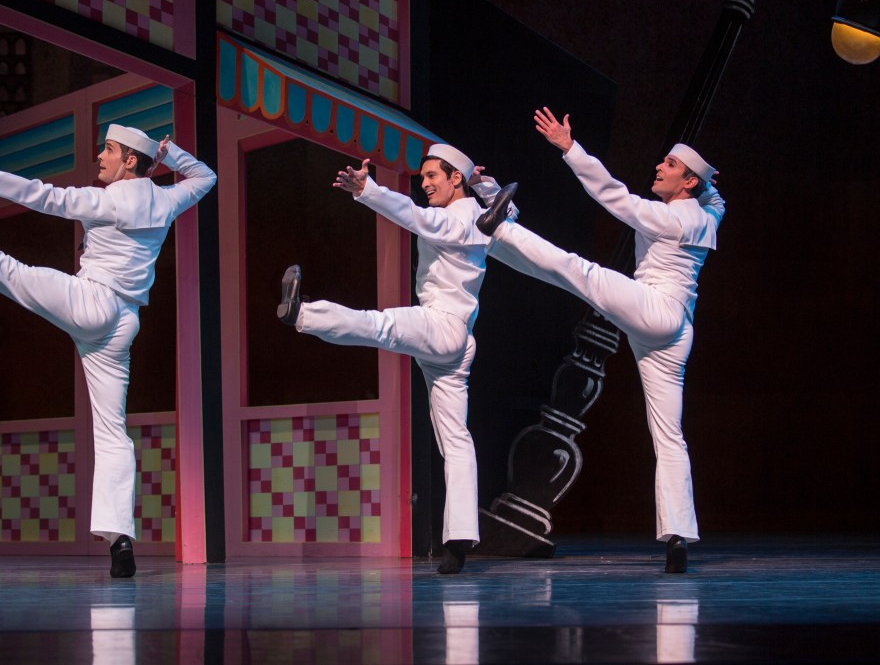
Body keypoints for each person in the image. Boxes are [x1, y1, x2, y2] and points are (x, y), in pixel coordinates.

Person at [0, 124, 217, 578]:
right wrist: (170, 155)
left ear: (129, 161)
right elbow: (206, 177)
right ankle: (119, 540)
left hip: (90, 301)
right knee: (113, 431)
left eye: (109, 150)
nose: (100, 157)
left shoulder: (106, 201)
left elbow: (43, 196)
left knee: (0, 267)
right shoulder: (168, 200)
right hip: (124, 322)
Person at [476, 107, 724, 574]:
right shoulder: (705, 214)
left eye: (670, 165)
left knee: (580, 272)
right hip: (675, 329)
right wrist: (706, 183)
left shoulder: (672, 218)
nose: (659, 167)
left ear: (688, 182)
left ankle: (502, 227)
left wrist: (570, 149)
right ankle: (677, 536)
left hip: (655, 308)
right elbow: (710, 199)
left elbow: (613, 196)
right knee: (669, 433)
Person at [276, 144, 517, 575]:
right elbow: (511, 216)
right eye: (422, 178)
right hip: (458, 339)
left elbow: (413, 217)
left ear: (455, 179)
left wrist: (367, 190)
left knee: (381, 325)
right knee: (455, 438)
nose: (425, 185)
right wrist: (487, 186)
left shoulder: (457, 218)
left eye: (432, 176)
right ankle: (459, 540)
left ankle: (303, 314)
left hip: (440, 325)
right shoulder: (486, 219)